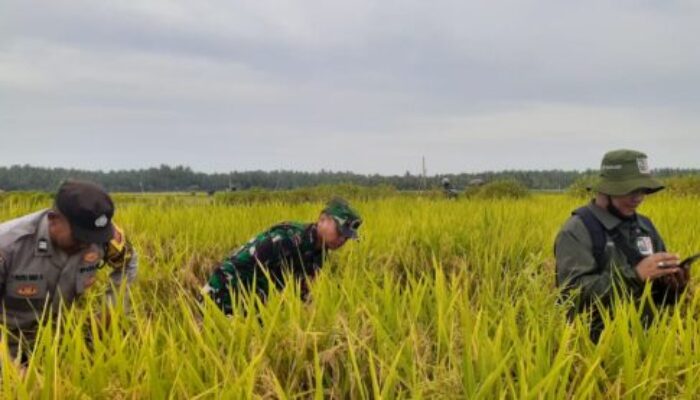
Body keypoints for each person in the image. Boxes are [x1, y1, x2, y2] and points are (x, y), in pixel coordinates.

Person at [554, 149, 688, 341]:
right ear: (606, 189)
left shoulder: (645, 226)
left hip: (647, 346)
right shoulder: (576, 231)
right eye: (631, 190)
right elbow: (573, 296)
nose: (639, 197)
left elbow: (654, 298)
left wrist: (672, 286)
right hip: (597, 352)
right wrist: (635, 276)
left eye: (643, 190)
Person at [0, 180, 138, 360]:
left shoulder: (101, 236)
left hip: (60, 341)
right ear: (54, 220)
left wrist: (111, 308)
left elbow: (128, 262)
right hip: (7, 343)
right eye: (81, 237)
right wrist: (11, 370)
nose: (88, 244)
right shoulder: (8, 245)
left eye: (93, 238)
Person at [203, 197, 362, 315]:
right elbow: (234, 267)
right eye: (340, 232)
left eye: (346, 237)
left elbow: (302, 291)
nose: (342, 240)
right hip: (225, 293)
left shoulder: (320, 253)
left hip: (257, 303)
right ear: (322, 220)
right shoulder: (286, 239)